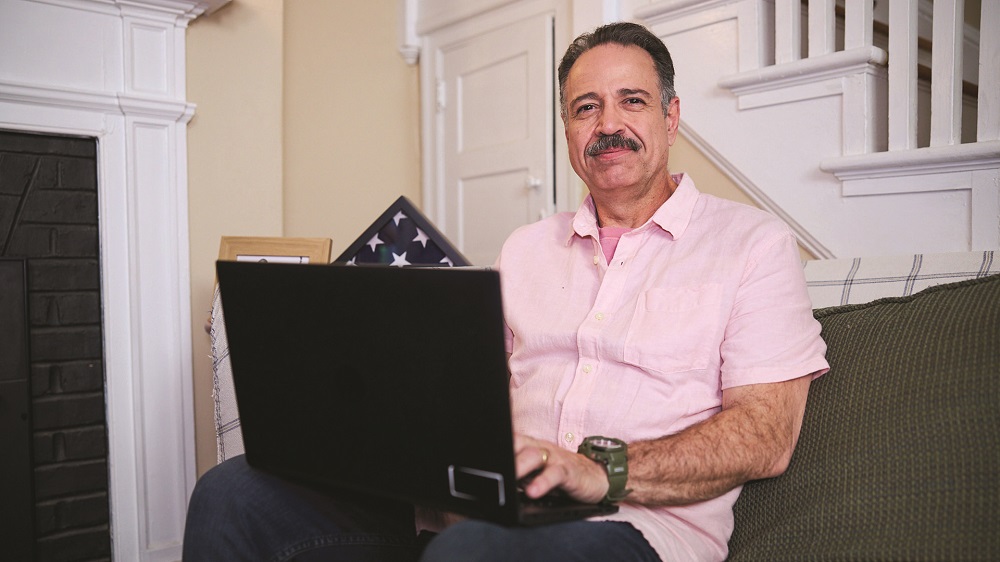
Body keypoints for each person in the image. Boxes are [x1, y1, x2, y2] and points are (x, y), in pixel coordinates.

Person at [183, 21, 828, 561]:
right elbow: (465, 392)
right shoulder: (525, 249)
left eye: (631, 100)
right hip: (466, 510)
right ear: (570, 134)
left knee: (472, 553)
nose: (608, 124)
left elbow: (764, 435)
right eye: (585, 108)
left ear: (671, 115)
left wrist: (600, 470)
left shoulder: (752, 244)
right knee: (231, 493)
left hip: (628, 530)